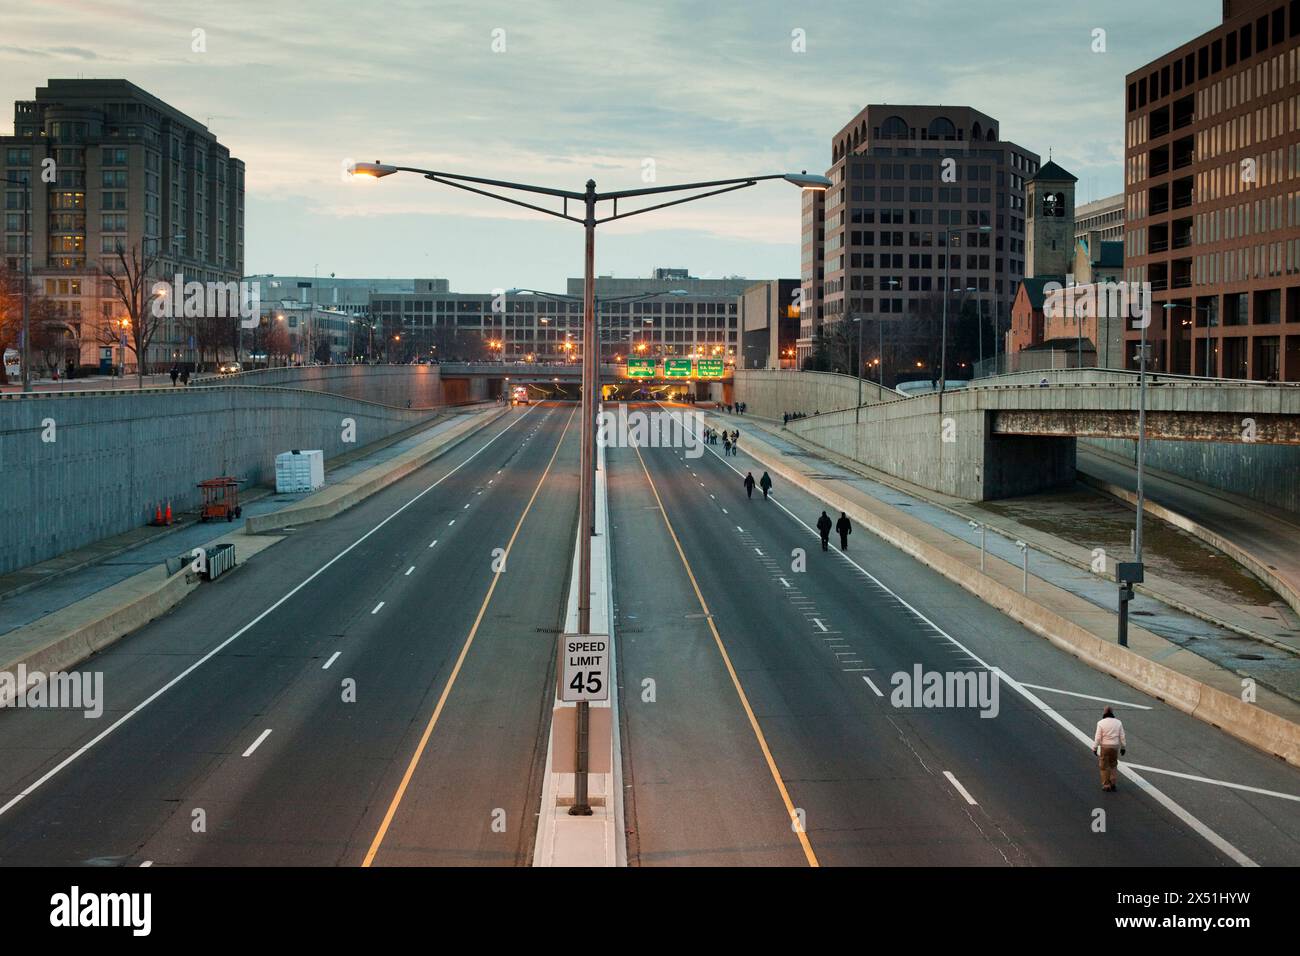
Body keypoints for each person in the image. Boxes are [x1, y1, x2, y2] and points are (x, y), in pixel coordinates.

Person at [1092, 706, 1127, 792]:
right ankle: (1113, 783)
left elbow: (1098, 737)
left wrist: (1095, 748)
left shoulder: (1100, 723)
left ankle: (1106, 784)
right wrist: (1123, 747)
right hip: (1115, 747)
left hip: (1105, 747)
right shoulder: (1118, 722)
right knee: (1113, 765)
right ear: (1112, 712)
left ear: (1104, 713)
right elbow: (1122, 736)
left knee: (1104, 766)